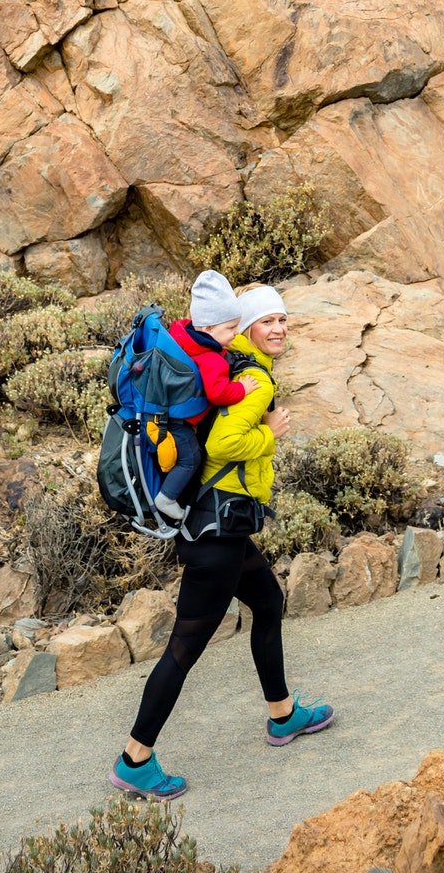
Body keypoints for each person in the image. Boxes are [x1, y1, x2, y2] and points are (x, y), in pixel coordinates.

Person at [111, 285, 335, 797]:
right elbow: (224, 442)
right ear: (247, 327)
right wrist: (271, 432)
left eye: (283, 319)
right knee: (184, 649)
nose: (278, 328)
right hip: (217, 533)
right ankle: (134, 759)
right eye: (266, 321)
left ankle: (282, 715)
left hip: (221, 527)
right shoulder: (253, 377)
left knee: (268, 601)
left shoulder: (231, 363)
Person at [153, 269, 248, 523]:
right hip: (176, 423)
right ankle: (166, 498)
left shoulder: (182, 336)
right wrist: (243, 389)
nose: (236, 333)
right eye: (230, 327)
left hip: (159, 412)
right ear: (207, 327)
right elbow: (218, 394)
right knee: (191, 458)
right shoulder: (210, 357)